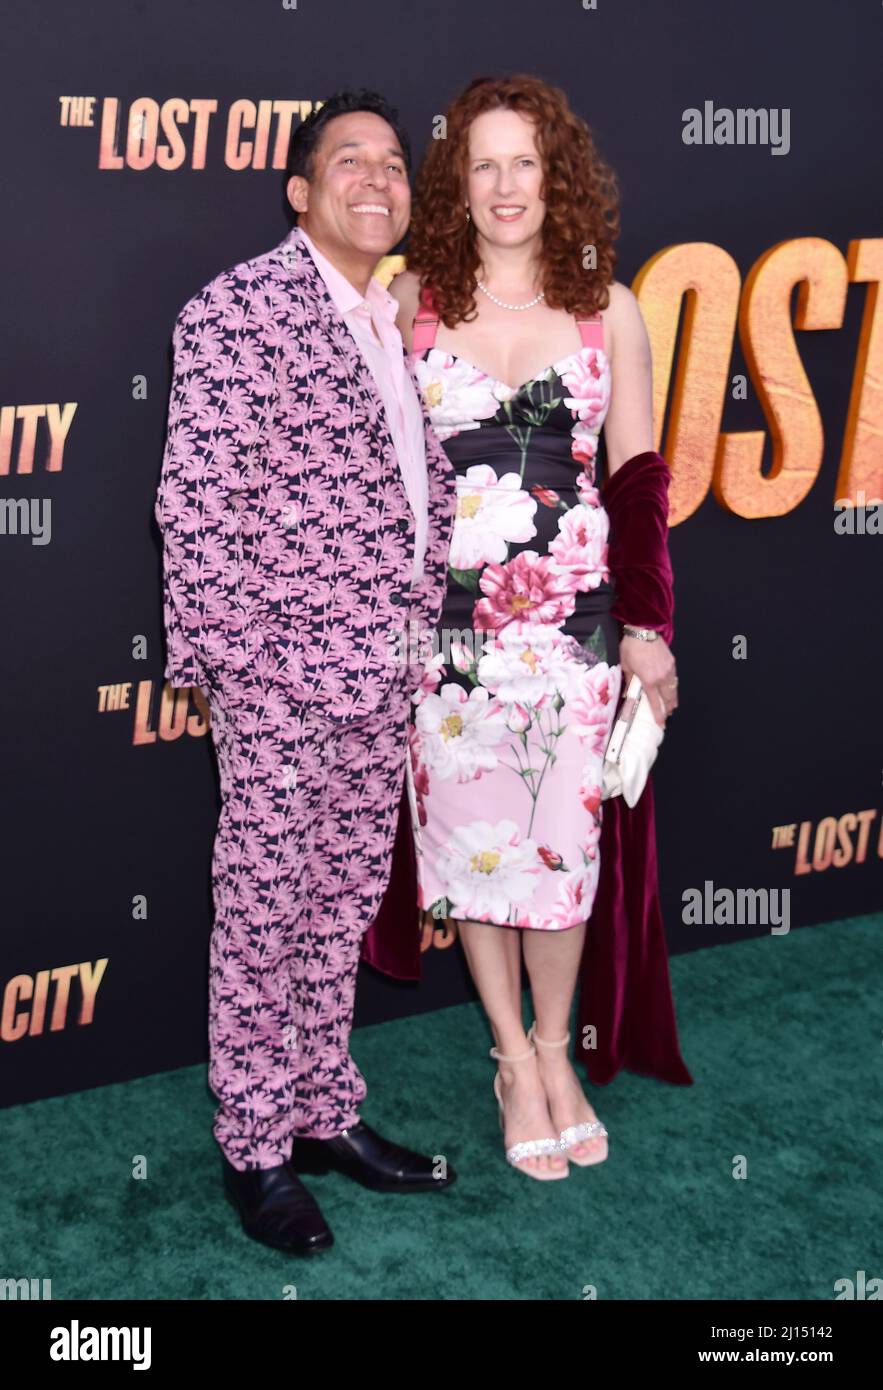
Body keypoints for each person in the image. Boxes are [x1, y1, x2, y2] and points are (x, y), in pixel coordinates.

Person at [154, 89, 457, 1254]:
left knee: (334, 914)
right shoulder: (241, 308)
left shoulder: (384, 317)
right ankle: (254, 1147)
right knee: (264, 911)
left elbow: (406, 501)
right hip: (283, 681)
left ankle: (325, 1111)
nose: (378, 178)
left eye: (393, 162)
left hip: (382, 675)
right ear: (300, 190)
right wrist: (243, 675)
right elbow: (194, 506)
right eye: (348, 161)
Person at [389, 74, 680, 1180]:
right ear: (453, 184)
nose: (505, 185)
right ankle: (509, 1059)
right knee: (478, 858)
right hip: (448, 640)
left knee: (560, 860)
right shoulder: (407, 298)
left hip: (575, 632)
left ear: (555, 175)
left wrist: (648, 626)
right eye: (483, 165)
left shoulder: (611, 304)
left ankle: (559, 1050)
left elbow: (641, 479)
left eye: (524, 162)